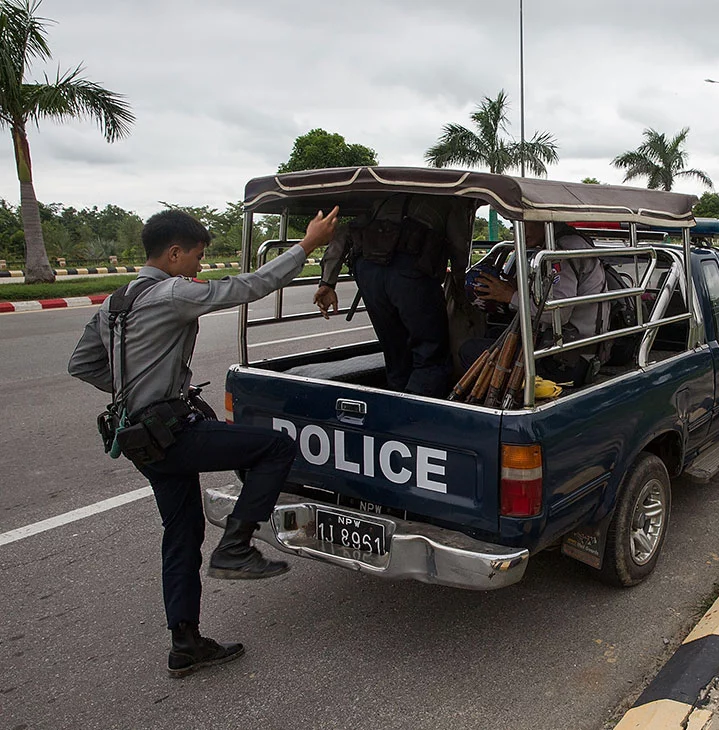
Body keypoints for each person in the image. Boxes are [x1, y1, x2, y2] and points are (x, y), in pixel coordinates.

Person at [68, 206, 339, 678]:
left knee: (181, 535)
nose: (198, 266)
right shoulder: (172, 292)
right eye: (196, 257)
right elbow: (248, 287)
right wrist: (306, 246)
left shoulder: (114, 302)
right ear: (174, 254)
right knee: (275, 448)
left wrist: (135, 392)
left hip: (139, 440)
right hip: (173, 433)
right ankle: (236, 546)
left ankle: (185, 643)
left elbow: (83, 365)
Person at [313, 194, 469, 398]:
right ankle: (420, 411)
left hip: (368, 272)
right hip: (411, 271)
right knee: (430, 349)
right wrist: (459, 283)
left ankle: (396, 398)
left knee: (393, 346)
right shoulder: (451, 198)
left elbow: (344, 233)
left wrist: (327, 282)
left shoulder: (382, 201)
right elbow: (459, 246)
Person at [465, 221, 608, 385]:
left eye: (526, 223)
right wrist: (519, 289)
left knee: (470, 350)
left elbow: (558, 313)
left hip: (566, 361)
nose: (520, 232)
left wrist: (510, 296)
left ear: (542, 220)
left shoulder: (560, 250)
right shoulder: (565, 242)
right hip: (571, 350)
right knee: (493, 335)